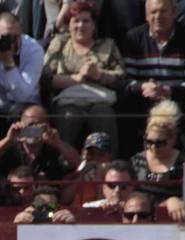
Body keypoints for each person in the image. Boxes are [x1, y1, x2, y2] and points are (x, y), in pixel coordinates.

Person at [120, 0, 185, 148]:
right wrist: (144, 87)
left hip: (177, 100)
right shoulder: (133, 38)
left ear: (175, 13)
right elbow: (126, 80)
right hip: (143, 99)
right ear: (146, 15)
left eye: (163, 11)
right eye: (153, 12)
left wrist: (168, 90)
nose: (158, 16)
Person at [42, 1, 124, 152]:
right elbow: (46, 78)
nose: (81, 25)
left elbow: (121, 78)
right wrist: (77, 78)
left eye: (86, 21)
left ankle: (107, 165)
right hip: (68, 101)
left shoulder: (107, 45)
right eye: (76, 21)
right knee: (68, 117)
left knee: (103, 114)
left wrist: (99, 75)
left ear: (93, 24)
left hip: (100, 100)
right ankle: (65, 166)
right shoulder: (59, 43)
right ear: (69, 24)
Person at [0, 104, 82, 198]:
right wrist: (8, 140)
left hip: (47, 206)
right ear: (21, 125)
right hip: (12, 205)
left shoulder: (54, 149)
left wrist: (58, 142)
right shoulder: (10, 148)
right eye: (30, 125)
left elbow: (76, 162)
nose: (34, 129)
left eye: (38, 125)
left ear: (47, 125)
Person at [0, 12, 42, 127]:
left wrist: (8, 62)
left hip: (25, 106)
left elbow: (22, 96)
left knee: (20, 111)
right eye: (7, 37)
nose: (12, 43)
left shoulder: (34, 49)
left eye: (17, 37)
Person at [129, 100, 185, 219]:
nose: (153, 147)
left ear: (173, 139)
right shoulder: (136, 161)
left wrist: (174, 200)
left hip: (172, 218)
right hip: (141, 217)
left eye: (160, 143)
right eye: (149, 142)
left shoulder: (184, 162)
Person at [12, 185, 77, 222]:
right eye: (39, 207)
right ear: (31, 207)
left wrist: (72, 224)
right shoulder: (24, 220)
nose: (44, 210)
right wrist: (16, 225)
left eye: (50, 207)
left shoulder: (64, 221)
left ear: (58, 208)